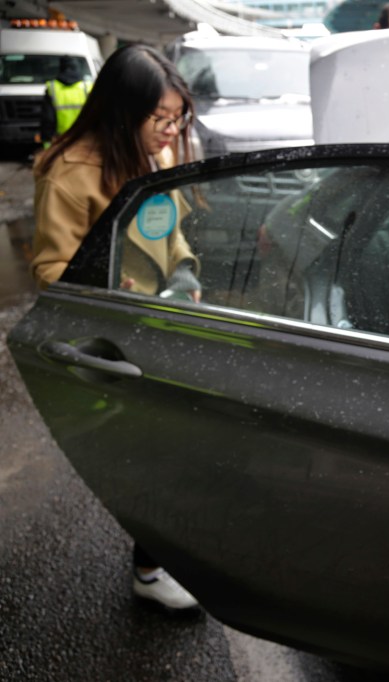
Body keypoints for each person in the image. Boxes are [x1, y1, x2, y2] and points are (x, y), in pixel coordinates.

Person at [31, 44, 202, 610]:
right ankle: (150, 570)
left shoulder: (148, 155)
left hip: (162, 325)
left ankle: (156, 559)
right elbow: (51, 268)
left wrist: (183, 268)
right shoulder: (69, 174)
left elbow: (170, 228)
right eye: (161, 119)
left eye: (177, 118)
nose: (170, 131)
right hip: (112, 340)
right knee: (154, 456)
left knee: (169, 451)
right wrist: (107, 289)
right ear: (123, 111)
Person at [40, 55, 92, 148]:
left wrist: (47, 141)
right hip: (84, 138)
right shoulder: (87, 87)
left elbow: (48, 118)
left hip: (61, 140)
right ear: (77, 68)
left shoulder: (52, 88)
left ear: (61, 68)